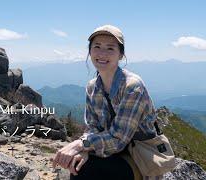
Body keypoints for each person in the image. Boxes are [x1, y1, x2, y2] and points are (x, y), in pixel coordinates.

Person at [52, 25, 163, 180]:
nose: (102, 54)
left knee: (88, 169)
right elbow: (92, 126)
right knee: (78, 165)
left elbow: (118, 140)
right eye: (97, 46)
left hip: (139, 157)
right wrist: (84, 150)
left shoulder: (132, 86)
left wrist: (79, 145)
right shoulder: (92, 87)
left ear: (121, 54)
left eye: (110, 48)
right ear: (90, 51)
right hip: (110, 151)